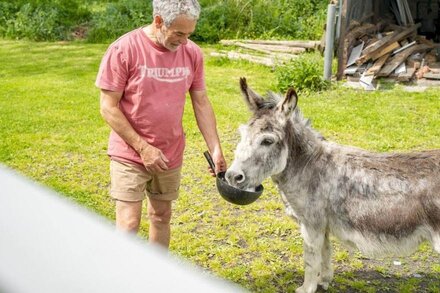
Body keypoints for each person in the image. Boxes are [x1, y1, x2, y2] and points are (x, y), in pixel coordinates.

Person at [96, 0, 227, 248]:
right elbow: (108, 107)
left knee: (161, 216)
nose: (185, 41)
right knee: (128, 225)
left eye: (189, 34)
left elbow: (201, 102)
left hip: (169, 152)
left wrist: (216, 148)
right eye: (179, 33)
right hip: (130, 153)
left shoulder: (192, 53)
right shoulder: (124, 49)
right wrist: (143, 148)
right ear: (158, 21)